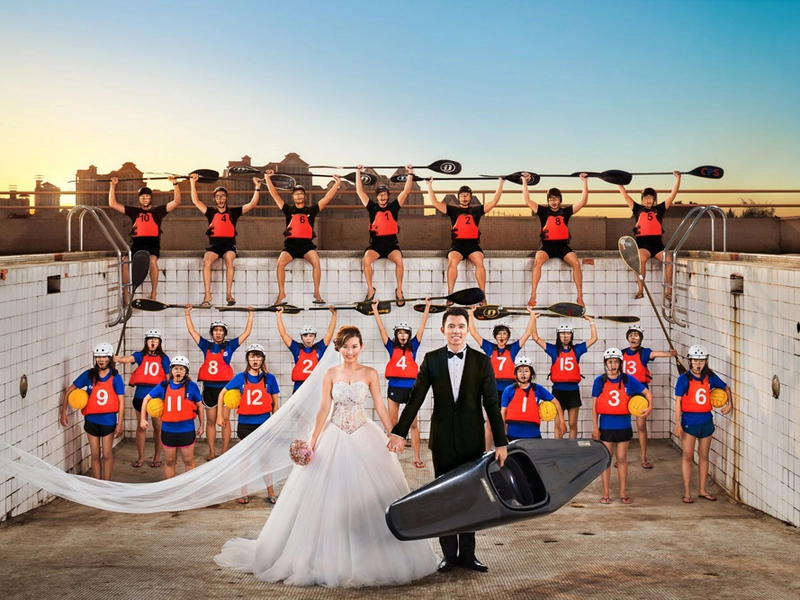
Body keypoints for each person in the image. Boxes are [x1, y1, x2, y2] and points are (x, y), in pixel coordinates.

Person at [214, 326, 439, 587]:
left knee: (370, 494)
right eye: (346, 347)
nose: (350, 351)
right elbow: (323, 408)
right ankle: (325, 553)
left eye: (355, 346)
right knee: (325, 494)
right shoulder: (330, 374)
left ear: (361, 347)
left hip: (364, 433)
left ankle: (369, 551)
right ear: (338, 348)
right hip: (334, 433)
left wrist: (392, 434)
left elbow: (379, 404)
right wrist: (312, 441)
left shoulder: (370, 373)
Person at [388, 307, 508, 574]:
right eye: (451, 326)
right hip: (441, 440)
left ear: (467, 330)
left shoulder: (481, 360)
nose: (456, 331)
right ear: (443, 330)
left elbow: (491, 403)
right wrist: (399, 430)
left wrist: (501, 443)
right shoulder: (432, 360)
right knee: (444, 498)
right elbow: (415, 398)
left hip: (472, 441)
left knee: (470, 499)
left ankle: (468, 555)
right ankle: (448, 556)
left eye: (461, 326)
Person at [184, 305, 253, 460]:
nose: (218, 333)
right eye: (216, 330)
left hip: (225, 390)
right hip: (209, 390)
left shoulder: (229, 346)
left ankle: (224, 452)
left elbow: (247, 333)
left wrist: (250, 314)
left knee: (226, 421)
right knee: (211, 422)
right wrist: (187, 314)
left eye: (221, 330)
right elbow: (192, 332)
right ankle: (212, 452)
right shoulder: (206, 346)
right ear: (212, 333)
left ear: (224, 333)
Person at [264, 170, 341, 305]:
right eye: (296, 194)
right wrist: (267, 178)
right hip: (291, 246)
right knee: (280, 264)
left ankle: (317, 292)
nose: (299, 196)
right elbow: (274, 195)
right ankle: (281, 293)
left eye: (301, 194)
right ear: (292, 197)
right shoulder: (288, 210)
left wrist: (337, 183)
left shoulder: (311, 210)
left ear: (305, 197)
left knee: (316, 263)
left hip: (307, 246)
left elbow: (327, 198)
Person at [372, 297, 432, 469]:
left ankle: (417, 456)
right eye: (400, 333)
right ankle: (391, 456)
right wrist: (375, 309)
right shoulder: (391, 347)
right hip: (395, 388)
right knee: (392, 422)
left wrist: (427, 307)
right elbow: (381, 328)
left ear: (409, 335)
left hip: (411, 388)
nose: (403, 335)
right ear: (396, 335)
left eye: (405, 333)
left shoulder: (414, 345)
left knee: (413, 423)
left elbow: (422, 326)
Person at [217, 343, 280, 504]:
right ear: (248, 359)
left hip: (264, 423)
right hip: (245, 424)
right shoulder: (240, 378)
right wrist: (220, 416)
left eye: (258, 356)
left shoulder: (269, 378)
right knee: (245, 460)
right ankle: (243, 492)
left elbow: (275, 404)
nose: (255, 359)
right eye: (252, 356)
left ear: (262, 359)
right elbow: (222, 393)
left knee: (265, 459)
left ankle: (271, 491)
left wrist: (275, 421)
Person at [189, 173, 262, 306]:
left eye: (222, 196)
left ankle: (229, 294)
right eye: (217, 197)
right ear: (214, 199)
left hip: (229, 245)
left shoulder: (233, 212)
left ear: (226, 198)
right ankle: (207, 296)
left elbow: (252, 204)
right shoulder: (210, 212)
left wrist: (257, 187)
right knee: (206, 262)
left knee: (229, 260)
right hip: (215, 245)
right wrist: (193, 182)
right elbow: (196, 201)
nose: (220, 199)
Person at [468, 306, 536, 449]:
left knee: (504, 423)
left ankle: (504, 449)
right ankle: (486, 452)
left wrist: (532, 316)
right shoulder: (489, 348)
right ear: (495, 336)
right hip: (492, 390)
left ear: (508, 336)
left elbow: (528, 333)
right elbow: (473, 333)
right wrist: (470, 314)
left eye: (504, 333)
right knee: (490, 424)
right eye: (499, 333)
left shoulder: (512, 349)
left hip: (509, 392)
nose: (502, 336)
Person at [426, 178, 504, 302]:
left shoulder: (477, 211)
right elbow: (435, 202)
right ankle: (451, 294)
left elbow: (494, 201)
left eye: (467, 195)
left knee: (479, 262)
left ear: (470, 197)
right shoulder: (453, 210)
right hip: (457, 245)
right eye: (462, 195)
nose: (464, 198)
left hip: (473, 245)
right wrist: (429, 185)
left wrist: (501, 183)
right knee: (452, 261)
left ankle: (482, 295)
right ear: (459, 197)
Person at [591, 348, 652, 505]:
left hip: (623, 425)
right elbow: (594, 406)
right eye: (610, 362)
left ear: (620, 363)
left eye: (616, 362)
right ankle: (606, 493)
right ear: (606, 363)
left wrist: (649, 407)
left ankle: (623, 492)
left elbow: (647, 392)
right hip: (606, 426)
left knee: (622, 459)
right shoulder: (600, 381)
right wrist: (595, 427)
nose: (613, 365)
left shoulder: (628, 379)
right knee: (606, 460)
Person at [674, 344, 733, 504]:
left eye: (701, 361)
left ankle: (702, 489)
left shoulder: (710, 377)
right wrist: (677, 422)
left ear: (706, 361)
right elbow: (678, 401)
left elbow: (726, 388)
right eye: (695, 361)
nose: (698, 364)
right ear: (690, 361)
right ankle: (687, 492)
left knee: (704, 456)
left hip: (706, 420)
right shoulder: (684, 378)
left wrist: (729, 404)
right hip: (689, 422)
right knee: (687, 456)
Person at [108, 175, 181, 300]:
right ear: (139, 199)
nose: (145, 198)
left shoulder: (158, 211)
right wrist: (112, 185)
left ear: (151, 198)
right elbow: (112, 204)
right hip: (137, 244)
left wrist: (175, 184)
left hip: (153, 244)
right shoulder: (134, 211)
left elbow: (177, 202)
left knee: (152, 261)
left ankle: (153, 293)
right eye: (142, 197)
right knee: (125, 261)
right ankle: (126, 291)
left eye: (147, 196)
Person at [59, 342, 125, 480]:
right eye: (98, 357)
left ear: (110, 358)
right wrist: (63, 412)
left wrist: (120, 423)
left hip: (108, 420)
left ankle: (107, 483)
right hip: (91, 420)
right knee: (95, 455)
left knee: (107, 454)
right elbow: (69, 390)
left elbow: (121, 402)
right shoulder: (89, 375)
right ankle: (98, 485)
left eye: (104, 357)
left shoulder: (116, 378)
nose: (101, 360)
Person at [521, 172, 589, 307]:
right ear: (548, 200)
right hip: (547, 246)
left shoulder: (566, 212)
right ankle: (533, 295)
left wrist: (584, 182)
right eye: (551, 199)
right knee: (537, 262)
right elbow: (527, 200)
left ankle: (580, 297)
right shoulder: (543, 211)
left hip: (563, 246)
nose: (554, 201)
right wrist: (524, 181)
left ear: (560, 200)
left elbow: (583, 201)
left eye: (556, 199)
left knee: (576, 263)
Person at [530, 313, 598, 439]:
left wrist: (591, 321)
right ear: (558, 335)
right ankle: (558, 448)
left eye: (568, 333)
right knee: (558, 424)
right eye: (562, 333)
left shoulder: (577, 350)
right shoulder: (553, 350)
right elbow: (535, 337)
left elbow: (594, 338)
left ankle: (572, 449)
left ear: (571, 335)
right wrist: (533, 319)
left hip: (573, 391)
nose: (565, 336)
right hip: (558, 391)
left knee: (572, 423)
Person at [355, 164, 415, 304]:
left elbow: (406, 191)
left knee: (399, 261)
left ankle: (399, 290)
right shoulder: (372, 208)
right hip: (376, 245)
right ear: (377, 197)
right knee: (366, 260)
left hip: (391, 245)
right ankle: (371, 289)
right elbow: (359, 191)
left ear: (388, 196)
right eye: (380, 195)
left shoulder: (393, 207)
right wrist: (358, 172)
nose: (383, 197)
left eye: (385, 195)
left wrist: (410, 173)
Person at [621, 324, 678, 469]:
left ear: (640, 338)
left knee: (641, 426)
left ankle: (643, 458)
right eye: (631, 335)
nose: (633, 338)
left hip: (641, 392)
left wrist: (670, 354)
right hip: (625, 391)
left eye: (636, 335)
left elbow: (656, 353)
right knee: (623, 426)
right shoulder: (621, 353)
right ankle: (621, 458)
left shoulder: (644, 353)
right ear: (628, 337)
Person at [618, 172, 682, 299]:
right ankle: (640, 290)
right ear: (642, 199)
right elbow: (625, 196)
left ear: (654, 199)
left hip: (658, 245)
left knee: (669, 260)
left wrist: (678, 178)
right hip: (643, 245)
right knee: (640, 259)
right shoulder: (637, 209)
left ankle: (669, 291)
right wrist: (619, 182)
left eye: (650, 198)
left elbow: (672, 195)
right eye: (646, 197)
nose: (648, 200)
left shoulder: (660, 209)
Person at [114, 329, 170, 468]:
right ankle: (141, 457)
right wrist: (117, 358)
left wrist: (168, 396)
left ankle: (157, 457)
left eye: (156, 339)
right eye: (150, 339)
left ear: (159, 342)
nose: (153, 342)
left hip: (157, 399)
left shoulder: (164, 358)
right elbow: (129, 359)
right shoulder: (140, 355)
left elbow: (168, 378)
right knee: (141, 427)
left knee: (158, 428)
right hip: (140, 396)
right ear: (146, 341)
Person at [140, 356, 203, 479]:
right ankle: (171, 492)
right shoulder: (163, 386)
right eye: (175, 368)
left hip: (186, 430)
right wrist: (143, 418)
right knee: (169, 461)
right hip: (168, 430)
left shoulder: (192, 386)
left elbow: (200, 407)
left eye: (181, 369)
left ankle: (191, 493)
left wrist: (202, 425)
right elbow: (146, 399)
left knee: (188, 461)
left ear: (186, 371)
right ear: (171, 371)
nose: (178, 371)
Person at [276, 305, 337, 392]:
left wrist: (334, 315)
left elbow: (329, 333)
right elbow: (283, 334)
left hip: (314, 389)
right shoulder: (296, 349)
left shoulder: (319, 348)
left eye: (311, 336)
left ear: (314, 337)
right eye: (305, 336)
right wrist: (278, 316)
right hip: (299, 388)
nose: (308, 338)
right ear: (302, 337)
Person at [501, 356, 565, 440]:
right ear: (515, 373)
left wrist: (562, 422)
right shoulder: (509, 390)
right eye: (520, 371)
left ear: (531, 373)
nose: (523, 374)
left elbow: (556, 402)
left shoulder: (538, 389)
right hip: (513, 434)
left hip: (533, 434)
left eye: (526, 371)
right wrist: (501, 433)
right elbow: (503, 412)